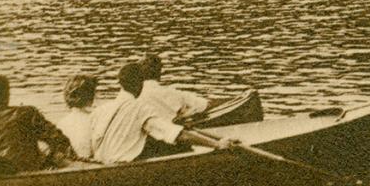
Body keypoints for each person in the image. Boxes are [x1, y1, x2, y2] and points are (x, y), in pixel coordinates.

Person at [91, 60, 238, 164]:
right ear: (140, 83)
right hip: (122, 166)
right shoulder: (140, 108)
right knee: (179, 144)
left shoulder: (101, 109)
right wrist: (218, 145)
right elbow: (178, 135)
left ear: (120, 83)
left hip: (101, 163)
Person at [0, 75, 77, 176]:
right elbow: (59, 139)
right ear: (7, 94)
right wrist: (54, 156)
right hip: (30, 174)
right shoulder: (27, 113)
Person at [139, 52, 209, 121]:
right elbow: (204, 105)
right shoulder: (170, 93)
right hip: (169, 127)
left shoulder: (133, 95)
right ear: (159, 73)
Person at [57, 73, 100, 161]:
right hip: (90, 164)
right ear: (91, 98)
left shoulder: (61, 123)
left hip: (71, 163)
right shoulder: (95, 120)